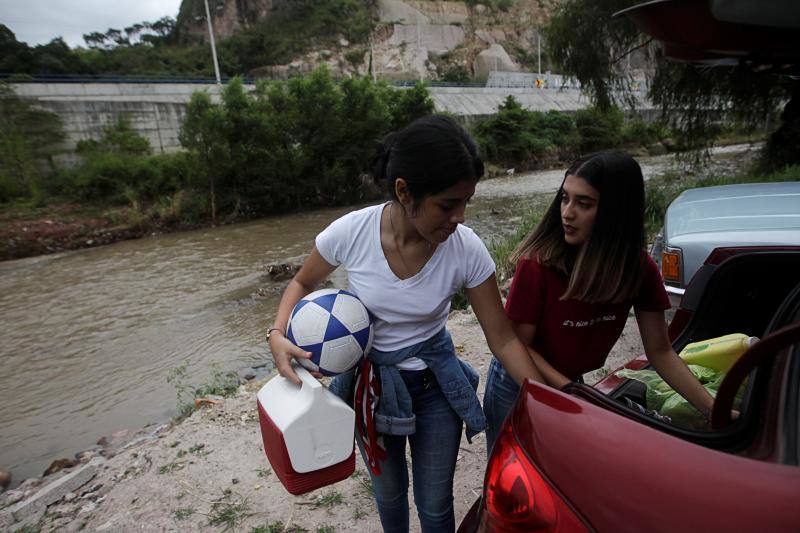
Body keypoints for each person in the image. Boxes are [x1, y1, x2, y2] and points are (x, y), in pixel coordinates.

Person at [267, 115, 543, 533]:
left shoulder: (465, 249)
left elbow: (503, 340)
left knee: (434, 508)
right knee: (390, 499)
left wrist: (546, 399)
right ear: (404, 191)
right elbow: (303, 281)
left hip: (436, 390)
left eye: (466, 201)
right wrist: (276, 334)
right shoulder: (352, 232)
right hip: (371, 392)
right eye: (448, 204)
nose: (460, 217)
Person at [483, 150, 718, 454]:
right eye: (564, 199)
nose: (567, 213)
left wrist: (713, 409)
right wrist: (571, 390)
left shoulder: (638, 270)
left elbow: (660, 352)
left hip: (570, 384)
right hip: (517, 382)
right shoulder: (538, 264)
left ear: (615, 212)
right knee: (511, 474)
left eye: (584, 203)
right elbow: (518, 345)